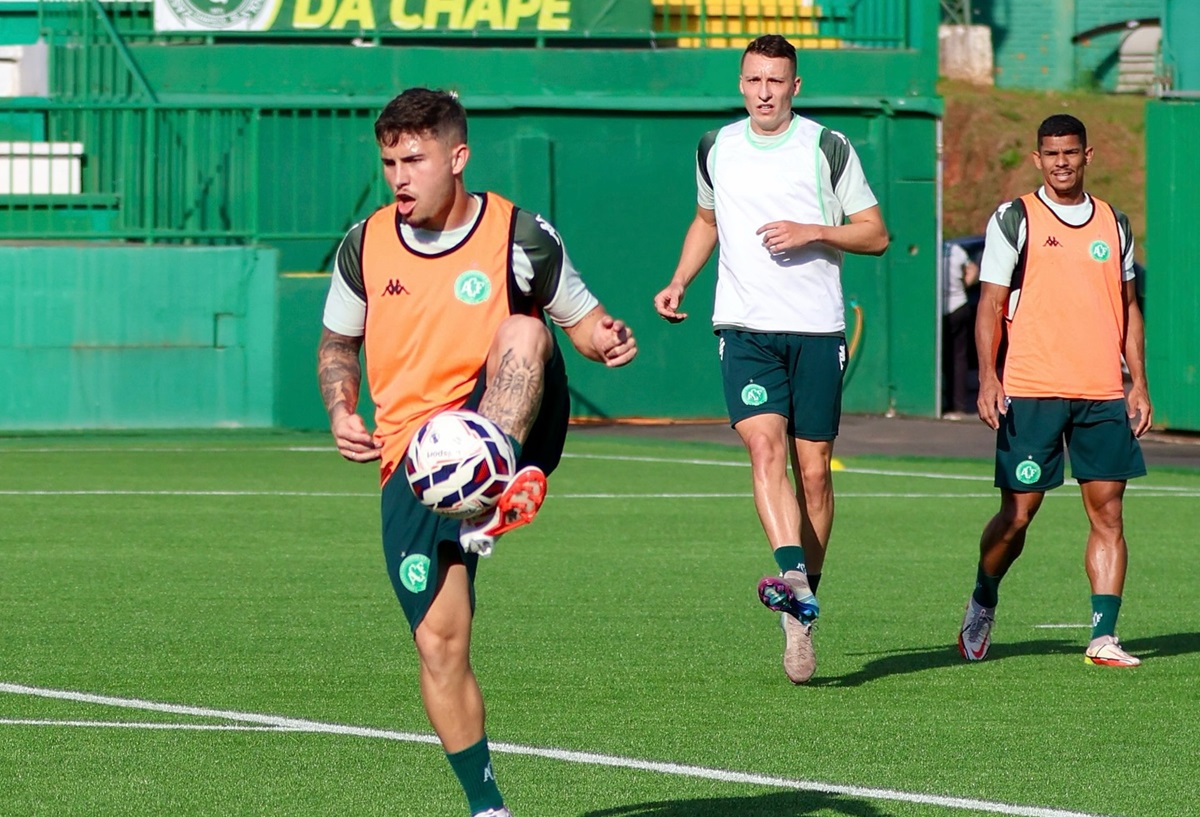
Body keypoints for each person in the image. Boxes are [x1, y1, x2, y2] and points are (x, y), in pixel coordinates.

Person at [317, 87, 637, 817]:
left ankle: (491, 489)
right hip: (410, 459)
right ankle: (488, 806)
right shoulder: (364, 244)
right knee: (439, 643)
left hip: (505, 421)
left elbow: (581, 323)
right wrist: (341, 408)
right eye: (390, 161)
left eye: (415, 159)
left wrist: (607, 339)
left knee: (526, 331)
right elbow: (338, 342)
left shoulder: (518, 235)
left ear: (457, 158)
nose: (400, 176)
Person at [652, 34, 889, 685]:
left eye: (776, 81)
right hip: (745, 326)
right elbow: (707, 220)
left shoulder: (826, 147)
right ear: (741, 82)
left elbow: (876, 232)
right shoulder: (716, 147)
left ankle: (802, 606)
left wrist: (815, 229)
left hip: (815, 328)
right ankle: (790, 573)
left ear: (796, 86)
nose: (764, 92)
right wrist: (680, 280)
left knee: (814, 472)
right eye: (754, 80)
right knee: (765, 449)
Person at [957, 113, 1151, 668]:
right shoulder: (1014, 218)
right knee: (1018, 516)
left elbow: (1128, 307)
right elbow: (991, 303)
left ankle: (1102, 636)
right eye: (1051, 153)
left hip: (1100, 391)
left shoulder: (1114, 223)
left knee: (1109, 513)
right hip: (1032, 389)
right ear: (1037, 158)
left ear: (1087, 156)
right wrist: (989, 377)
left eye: (1071, 152)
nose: (1061, 161)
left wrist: (1138, 382)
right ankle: (983, 598)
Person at [942, 240, 980, 420]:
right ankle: (959, 406)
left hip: (941, 309)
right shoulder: (956, 249)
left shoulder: (933, 250)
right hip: (959, 304)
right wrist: (964, 285)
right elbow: (972, 268)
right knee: (959, 358)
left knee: (948, 358)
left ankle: (947, 402)